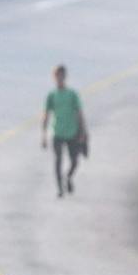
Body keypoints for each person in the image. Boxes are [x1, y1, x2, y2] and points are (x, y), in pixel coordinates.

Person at [41, 63, 86, 196]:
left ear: (65, 77)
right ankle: (60, 188)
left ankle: (68, 177)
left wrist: (82, 132)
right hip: (58, 133)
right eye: (57, 76)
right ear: (54, 77)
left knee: (74, 161)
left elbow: (79, 114)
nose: (59, 78)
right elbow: (46, 115)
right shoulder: (51, 95)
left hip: (72, 132)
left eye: (61, 75)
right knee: (58, 160)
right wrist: (43, 135)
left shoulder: (72, 95)